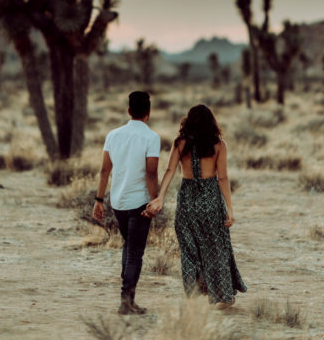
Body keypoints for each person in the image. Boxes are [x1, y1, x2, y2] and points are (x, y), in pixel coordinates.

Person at [144, 104, 247, 307]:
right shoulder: (219, 145)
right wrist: (230, 208)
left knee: (190, 250)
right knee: (216, 248)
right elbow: (223, 178)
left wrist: (160, 198)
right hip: (210, 200)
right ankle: (223, 296)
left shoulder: (180, 143)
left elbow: (169, 171)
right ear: (211, 122)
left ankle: (193, 295)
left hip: (188, 200)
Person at [93, 91, 160, 315]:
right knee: (134, 252)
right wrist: (156, 200)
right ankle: (126, 301)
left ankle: (127, 299)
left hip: (118, 201)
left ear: (129, 111)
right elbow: (151, 175)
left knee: (128, 246)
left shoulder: (113, 135)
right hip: (139, 202)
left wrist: (99, 200)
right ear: (148, 113)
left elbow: (104, 170)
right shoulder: (151, 138)